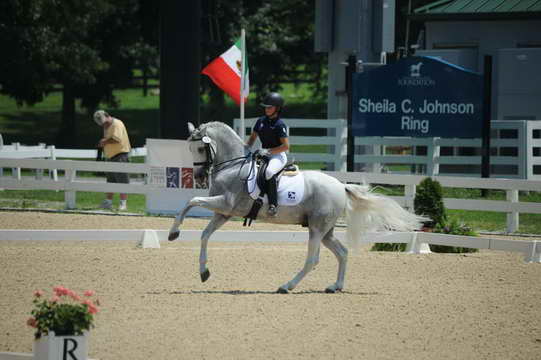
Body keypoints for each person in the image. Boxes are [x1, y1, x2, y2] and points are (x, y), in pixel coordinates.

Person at [245, 92, 289, 216]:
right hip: (262, 152)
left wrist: (269, 151)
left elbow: (285, 146)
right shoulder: (261, 121)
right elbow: (252, 138)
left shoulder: (279, 125)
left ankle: (273, 205)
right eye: (266, 107)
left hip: (277, 155)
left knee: (269, 172)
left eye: (269, 107)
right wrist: (245, 147)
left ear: (277, 109)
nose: (267, 109)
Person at [93, 110, 131, 211]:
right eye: (102, 124)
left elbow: (117, 139)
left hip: (120, 155)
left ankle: (123, 204)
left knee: (122, 181)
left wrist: (104, 141)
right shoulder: (107, 125)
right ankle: (108, 202)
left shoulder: (116, 124)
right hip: (111, 157)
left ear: (107, 116)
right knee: (110, 181)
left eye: (104, 123)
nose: (103, 125)